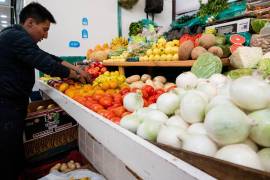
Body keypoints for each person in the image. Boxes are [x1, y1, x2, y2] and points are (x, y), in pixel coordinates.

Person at [0, 2, 91, 179]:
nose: (46, 35)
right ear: (30, 23)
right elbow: (45, 63)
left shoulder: (17, 36)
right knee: (7, 152)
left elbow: (48, 57)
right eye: (44, 29)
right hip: (5, 105)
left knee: (14, 147)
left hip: (12, 103)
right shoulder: (15, 37)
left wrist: (77, 68)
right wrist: (74, 75)